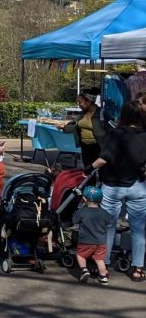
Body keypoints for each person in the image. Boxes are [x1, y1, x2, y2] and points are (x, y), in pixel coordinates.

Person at [91, 99, 146, 281]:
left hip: (113, 186)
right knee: (139, 229)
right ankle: (138, 268)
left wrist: (88, 168)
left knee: (108, 226)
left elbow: (103, 159)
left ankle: (103, 265)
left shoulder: (115, 134)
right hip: (137, 185)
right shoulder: (144, 136)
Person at [74, 184, 113, 285]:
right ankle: (103, 278)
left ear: (84, 199)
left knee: (80, 255)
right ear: (101, 201)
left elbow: (74, 220)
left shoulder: (82, 211)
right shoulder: (104, 212)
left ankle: (84, 270)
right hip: (101, 242)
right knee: (99, 260)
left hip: (85, 241)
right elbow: (110, 222)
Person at [65, 89, 106, 170]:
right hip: (85, 148)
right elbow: (78, 126)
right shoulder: (82, 114)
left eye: (80, 102)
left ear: (88, 102)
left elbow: (111, 129)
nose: (79, 105)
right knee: (88, 172)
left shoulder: (101, 113)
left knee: (102, 172)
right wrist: (65, 127)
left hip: (98, 147)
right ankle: (90, 183)